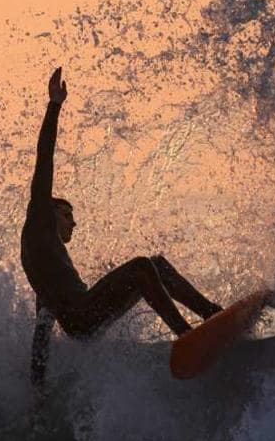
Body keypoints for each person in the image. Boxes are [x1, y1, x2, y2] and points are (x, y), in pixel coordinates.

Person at [23, 67, 221, 388]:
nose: (73, 222)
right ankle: (186, 335)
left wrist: (37, 387)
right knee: (142, 267)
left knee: (154, 266)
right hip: (82, 315)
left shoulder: (42, 259)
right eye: (67, 214)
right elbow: (44, 157)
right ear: (51, 211)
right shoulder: (38, 222)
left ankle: (212, 313)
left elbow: (41, 328)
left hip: (83, 318)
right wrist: (55, 104)